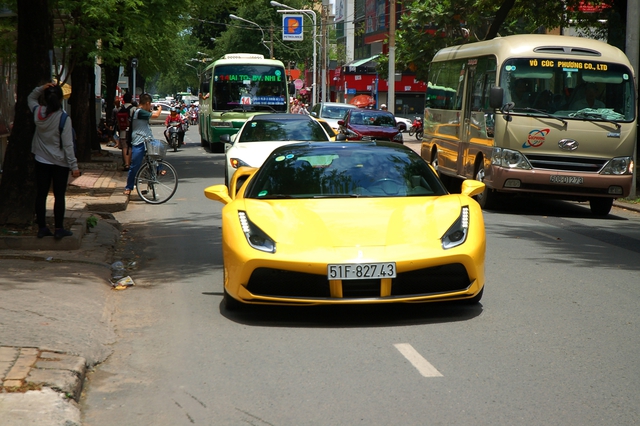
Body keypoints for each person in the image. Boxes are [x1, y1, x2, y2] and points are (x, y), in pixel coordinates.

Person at [27, 82, 81, 239]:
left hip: (41, 160)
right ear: (60, 98)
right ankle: (59, 229)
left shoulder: (38, 113)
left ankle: (42, 228)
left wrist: (41, 87)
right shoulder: (63, 118)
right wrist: (74, 166)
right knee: (59, 195)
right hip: (60, 163)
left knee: (41, 194)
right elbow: (68, 145)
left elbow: (30, 98)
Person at [124, 93, 162, 196]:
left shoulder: (142, 111)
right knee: (135, 164)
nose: (150, 107)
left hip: (147, 140)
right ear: (147, 103)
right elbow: (156, 115)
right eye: (150, 105)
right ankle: (129, 186)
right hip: (139, 140)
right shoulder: (139, 112)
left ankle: (159, 169)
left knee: (159, 149)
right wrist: (159, 109)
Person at [117, 93, 135, 170]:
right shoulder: (134, 109)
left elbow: (117, 121)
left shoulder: (119, 109)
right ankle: (129, 162)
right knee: (130, 147)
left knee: (124, 147)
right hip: (131, 130)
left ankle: (126, 164)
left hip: (122, 130)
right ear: (131, 99)